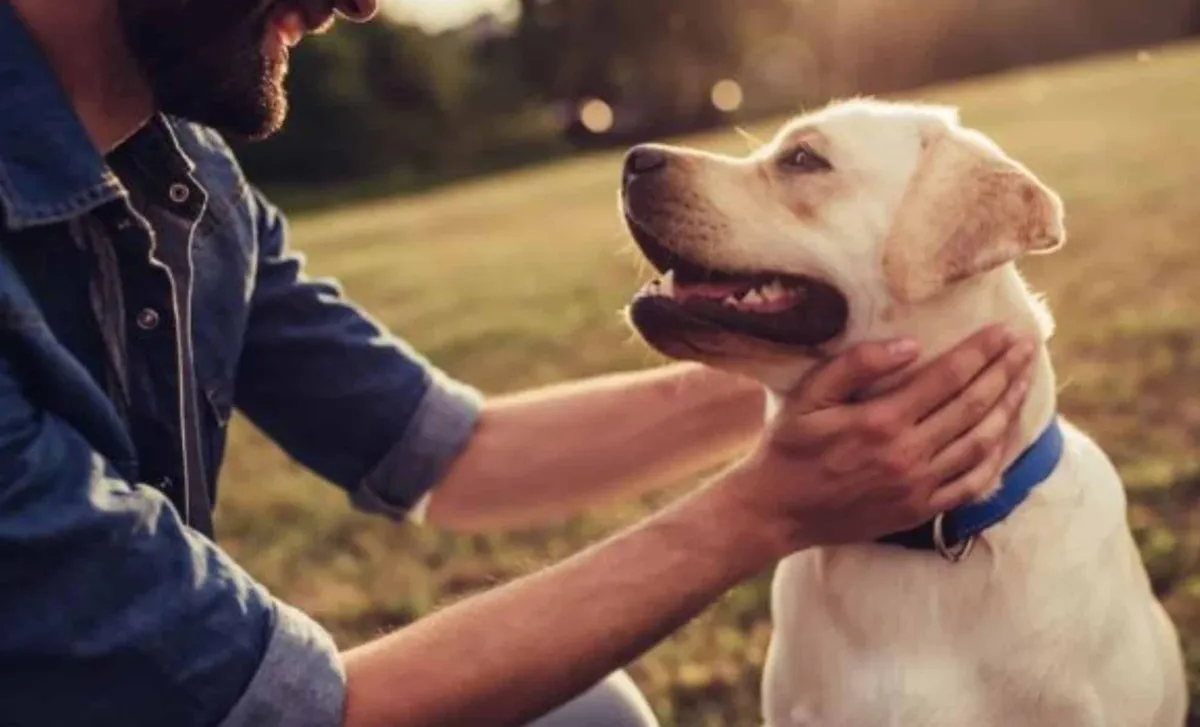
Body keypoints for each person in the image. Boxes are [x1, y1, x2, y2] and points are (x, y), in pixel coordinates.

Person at [0, 0, 1037, 725]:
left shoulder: (188, 182)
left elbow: (459, 453)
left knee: (585, 718)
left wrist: (839, 363)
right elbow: (289, 711)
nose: (361, 4)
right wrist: (763, 510)